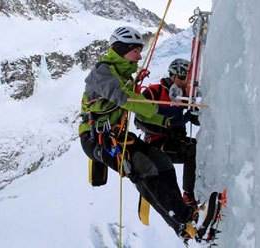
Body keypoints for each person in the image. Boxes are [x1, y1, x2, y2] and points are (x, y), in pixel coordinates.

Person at [78, 26, 198, 238]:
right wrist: (160, 111)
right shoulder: (102, 72)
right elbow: (127, 100)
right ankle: (184, 218)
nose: (140, 55)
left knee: (162, 162)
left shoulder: (125, 78)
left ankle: (182, 222)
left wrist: (167, 120)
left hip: (116, 137)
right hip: (95, 139)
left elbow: (141, 111)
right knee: (142, 167)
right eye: (136, 50)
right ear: (122, 49)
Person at [135, 58, 200, 207]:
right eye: (186, 78)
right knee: (192, 149)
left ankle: (198, 189)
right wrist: (168, 126)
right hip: (157, 143)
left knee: (199, 147)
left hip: (176, 140)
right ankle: (189, 196)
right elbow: (139, 120)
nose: (187, 82)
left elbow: (195, 119)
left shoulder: (185, 95)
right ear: (177, 76)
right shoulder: (154, 91)